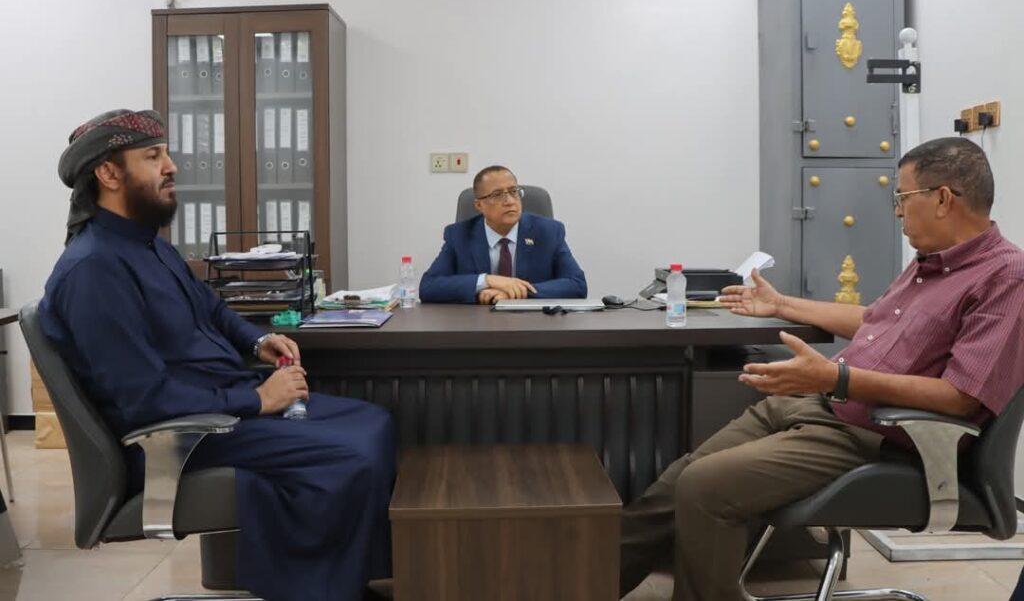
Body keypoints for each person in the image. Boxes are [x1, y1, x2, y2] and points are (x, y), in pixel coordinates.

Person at [619, 137, 1024, 601]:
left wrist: (837, 378)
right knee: (675, 483)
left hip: (875, 435)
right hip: (822, 405)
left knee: (705, 488)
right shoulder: (931, 263)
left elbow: (960, 397)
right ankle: (580, 585)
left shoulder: (1005, 276)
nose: (897, 211)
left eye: (902, 197)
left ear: (943, 199)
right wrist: (781, 304)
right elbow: (874, 321)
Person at [39, 109, 394, 601]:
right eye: (153, 157)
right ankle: (316, 589)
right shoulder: (93, 271)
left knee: (373, 422)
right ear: (108, 173)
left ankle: (348, 581)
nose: (171, 167)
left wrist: (256, 342)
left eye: (166, 154)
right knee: (349, 457)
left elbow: (210, 308)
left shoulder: (149, 246)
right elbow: (145, 401)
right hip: (179, 438)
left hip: (218, 406)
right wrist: (259, 401)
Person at [419, 165, 587, 304]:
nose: (510, 201)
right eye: (497, 195)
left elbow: (577, 285)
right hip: (476, 325)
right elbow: (428, 287)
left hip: (534, 325)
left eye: (514, 192)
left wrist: (515, 292)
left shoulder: (549, 231)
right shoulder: (459, 235)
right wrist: (487, 280)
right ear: (479, 205)